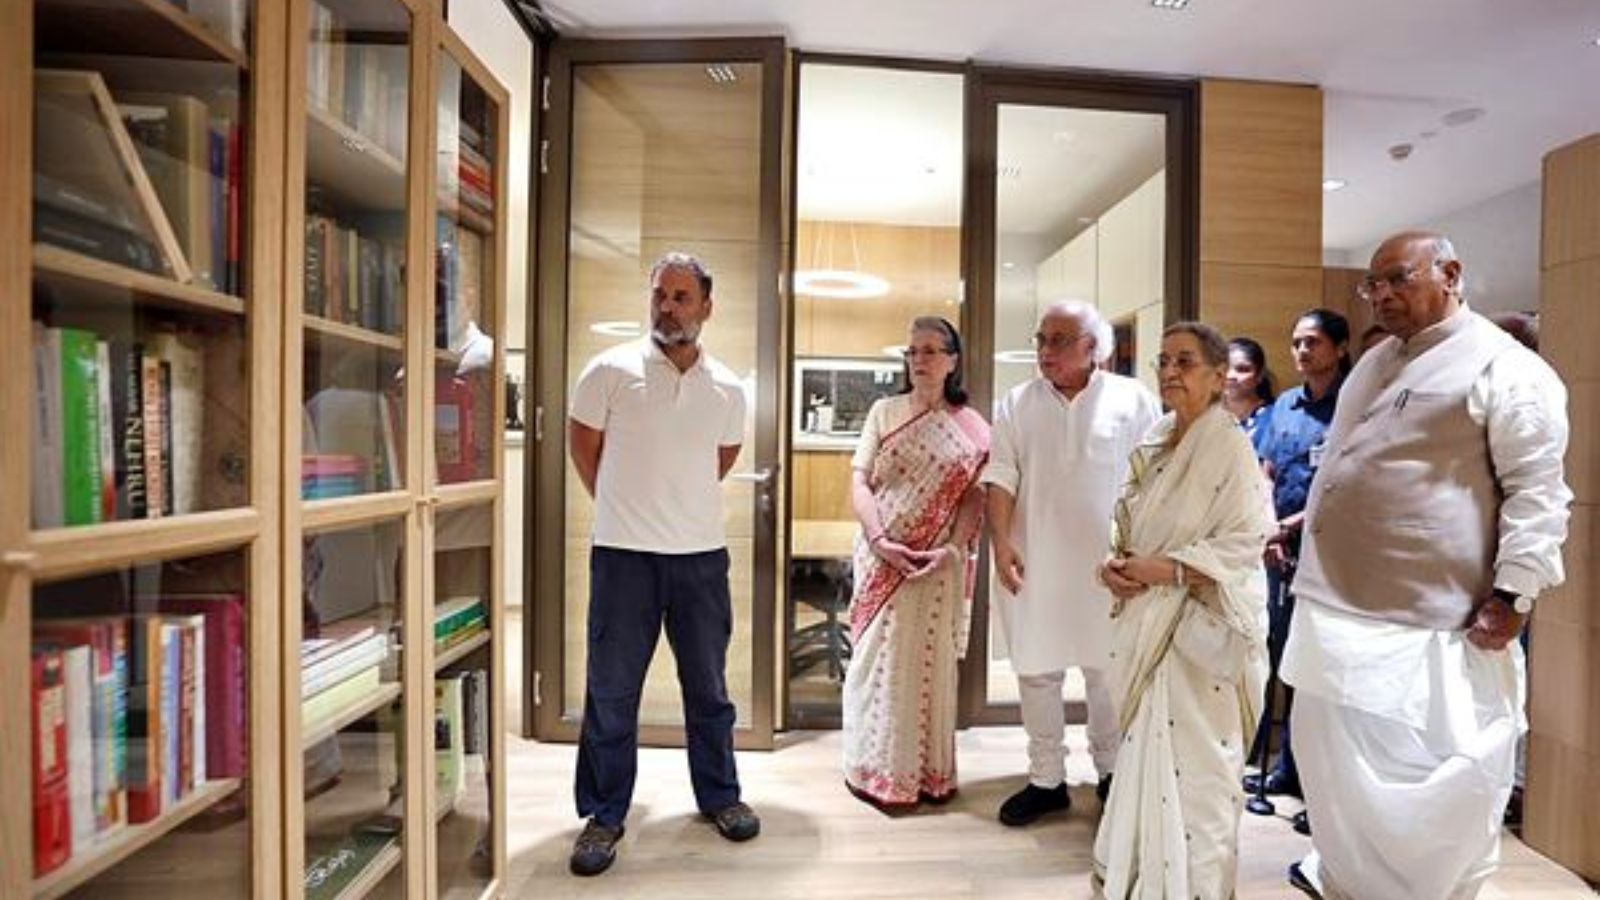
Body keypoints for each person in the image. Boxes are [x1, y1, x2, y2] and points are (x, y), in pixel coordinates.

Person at [1283, 232, 1571, 900]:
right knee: (1335, 772)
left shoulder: (1506, 367)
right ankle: (1349, 880)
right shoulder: (1378, 357)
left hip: (1432, 623)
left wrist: (1515, 594)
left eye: (1397, 279)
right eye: (1371, 285)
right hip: (1334, 609)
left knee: (1429, 783)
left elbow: (1538, 491)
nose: (1382, 295)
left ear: (1451, 273)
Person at [565, 252, 759, 877]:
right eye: (660, 295)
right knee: (613, 691)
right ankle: (604, 814)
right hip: (624, 558)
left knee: (708, 690)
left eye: (682, 297)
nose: (669, 307)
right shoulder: (609, 370)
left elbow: (722, 459)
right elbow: (584, 448)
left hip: (701, 559)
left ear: (706, 306)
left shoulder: (728, 386)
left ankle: (721, 797)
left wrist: (676, 508)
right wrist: (628, 508)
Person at [1091, 322, 1276, 898]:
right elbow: (1128, 521)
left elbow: (1246, 540)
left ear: (1220, 377)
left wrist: (1162, 571)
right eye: (1163, 361)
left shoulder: (1230, 445)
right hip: (1150, 615)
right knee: (1147, 750)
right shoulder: (1157, 436)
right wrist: (1113, 566)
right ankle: (1146, 874)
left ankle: (1192, 887)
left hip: (1202, 629)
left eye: (1186, 362)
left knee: (1198, 770)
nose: (1170, 371)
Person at [983, 300, 1160, 826]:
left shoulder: (1133, 400)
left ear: (1093, 348)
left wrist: (1143, 554)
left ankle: (1112, 773)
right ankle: (1046, 780)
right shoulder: (1017, 402)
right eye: (1041, 339)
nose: (1045, 350)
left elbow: (1154, 477)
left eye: (1059, 340)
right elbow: (1000, 475)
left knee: (1107, 671)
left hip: (1109, 566)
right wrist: (999, 542)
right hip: (1034, 558)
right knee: (1037, 670)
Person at [841, 317, 989, 809]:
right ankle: (874, 770)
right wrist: (881, 540)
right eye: (912, 351)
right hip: (881, 557)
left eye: (930, 350)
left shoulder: (973, 428)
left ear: (952, 359)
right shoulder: (885, 412)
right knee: (876, 663)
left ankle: (928, 776)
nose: (919, 360)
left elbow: (975, 497)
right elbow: (860, 482)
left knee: (925, 665)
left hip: (936, 564)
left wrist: (951, 550)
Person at [1245, 309, 1352, 820]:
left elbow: (1347, 483)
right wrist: (1271, 526)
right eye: (1295, 343)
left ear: (1339, 346)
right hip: (1280, 552)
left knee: (1320, 666)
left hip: (1332, 552)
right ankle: (1284, 766)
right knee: (1280, 653)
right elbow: (1264, 471)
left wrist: (1293, 523)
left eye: (1312, 342)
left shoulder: (1355, 404)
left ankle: (1317, 776)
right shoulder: (1284, 403)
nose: (1303, 352)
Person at [1224, 336, 1276, 453]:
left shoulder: (1274, 418)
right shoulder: (1205, 417)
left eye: (1242, 369)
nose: (1230, 376)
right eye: (1225, 368)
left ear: (1260, 375)